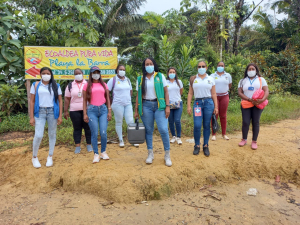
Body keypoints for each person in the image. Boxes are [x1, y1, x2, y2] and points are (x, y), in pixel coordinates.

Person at [134, 58, 172, 167]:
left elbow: (166, 92)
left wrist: (168, 106)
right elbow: (138, 95)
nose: (149, 65)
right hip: (146, 106)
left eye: (151, 64)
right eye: (147, 64)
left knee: (163, 129)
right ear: (144, 66)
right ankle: (150, 154)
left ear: (154, 65)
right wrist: (136, 110)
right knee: (149, 130)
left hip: (160, 106)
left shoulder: (160, 76)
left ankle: (167, 155)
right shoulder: (140, 79)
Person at [29, 67, 63, 168]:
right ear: (40, 75)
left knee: (52, 134)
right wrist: (31, 117)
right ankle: (34, 157)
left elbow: (60, 100)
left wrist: (60, 115)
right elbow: (32, 101)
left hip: (52, 112)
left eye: (48, 73)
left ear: (51, 74)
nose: (46, 75)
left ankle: (50, 156)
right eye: (43, 73)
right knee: (38, 135)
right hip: (40, 112)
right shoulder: (35, 85)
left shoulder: (56, 86)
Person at [187, 61, 218, 157]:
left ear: (206, 67)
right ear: (197, 68)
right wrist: (188, 105)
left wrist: (216, 106)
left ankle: (205, 145)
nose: (201, 68)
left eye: (203, 66)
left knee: (206, 125)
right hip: (197, 104)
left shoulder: (211, 79)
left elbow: (213, 93)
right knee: (197, 125)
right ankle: (196, 145)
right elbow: (190, 93)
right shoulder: (193, 79)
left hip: (208, 103)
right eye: (199, 66)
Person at [83, 66, 112, 163]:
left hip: (103, 109)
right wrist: (85, 114)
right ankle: (96, 154)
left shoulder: (104, 84)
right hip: (91, 110)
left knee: (103, 132)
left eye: (97, 72)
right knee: (94, 133)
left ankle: (103, 151)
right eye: (94, 72)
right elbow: (84, 101)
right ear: (91, 74)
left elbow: (107, 98)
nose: (96, 74)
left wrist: (109, 111)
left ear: (100, 74)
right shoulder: (86, 85)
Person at [238, 63, 269, 150]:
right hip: (246, 103)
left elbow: (266, 91)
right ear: (247, 71)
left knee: (256, 122)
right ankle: (244, 139)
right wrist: (248, 99)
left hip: (258, 103)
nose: (251, 71)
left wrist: (262, 100)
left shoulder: (261, 79)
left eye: (253, 69)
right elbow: (240, 93)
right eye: (249, 69)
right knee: (245, 122)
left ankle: (254, 141)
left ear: (256, 70)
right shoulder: (242, 80)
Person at [107, 64, 138, 148]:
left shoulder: (127, 80)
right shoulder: (113, 80)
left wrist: (127, 98)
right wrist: (110, 102)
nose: (122, 71)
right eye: (120, 69)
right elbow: (107, 92)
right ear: (117, 70)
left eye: (123, 69)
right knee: (119, 122)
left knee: (130, 121)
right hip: (117, 104)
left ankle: (133, 140)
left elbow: (130, 91)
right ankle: (121, 140)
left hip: (128, 104)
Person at [64, 68, 92, 154]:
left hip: (87, 110)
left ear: (82, 74)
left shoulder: (87, 83)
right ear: (74, 75)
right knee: (77, 129)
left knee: (88, 128)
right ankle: (77, 146)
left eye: (79, 73)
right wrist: (65, 111)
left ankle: (89, 145)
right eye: (76, 74)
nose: (78, 75)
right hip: (74, 110)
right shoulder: (70, 85)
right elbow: (67, 99)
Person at [210, 61, 232, 141]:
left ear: (224, 67)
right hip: (214, 97)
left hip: (224, 96)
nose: (220, 67)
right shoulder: (212, 75)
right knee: (214, 115)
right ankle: (214, 134)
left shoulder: (228, 75)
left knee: (223, 115)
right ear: (216, 66)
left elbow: (229, 85)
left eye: (222, 65)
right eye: (219, 65)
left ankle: (224, 134)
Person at [166, 67, 184, 145]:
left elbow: (181, 91)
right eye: (170, 72)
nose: (172, 73)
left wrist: (177, 98)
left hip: (178, 103)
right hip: (169, 104)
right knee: (170, 121)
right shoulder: (165, 82)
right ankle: (173, 136)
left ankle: (179, 137)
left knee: (177, 120)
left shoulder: (179, 82)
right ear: (168, 73)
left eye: (173, 72)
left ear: (175, 73)